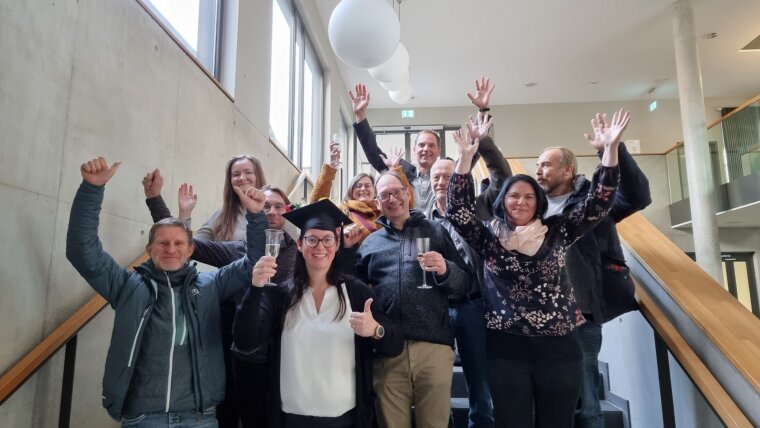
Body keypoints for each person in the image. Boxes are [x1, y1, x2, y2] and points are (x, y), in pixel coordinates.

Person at [446, 109, 627, 428]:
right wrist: (463, 160)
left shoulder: (558, 231)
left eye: (529, 196)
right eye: (514, 196)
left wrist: (609, 151)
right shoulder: (488, 237)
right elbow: (457, 211)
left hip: (559, 349)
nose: (521, 202)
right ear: (502, 201)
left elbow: (599, 202)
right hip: (505, 350)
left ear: (538, 203)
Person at [66, 156, 266, 426]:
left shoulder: (210, 286)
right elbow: (83, 252)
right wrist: (92, 189)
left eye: (178, 243)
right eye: (162, 243)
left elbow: (254, 263)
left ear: (191, 249)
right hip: (144, 418)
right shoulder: (128, 288)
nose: (171, 249)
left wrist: (256, 215)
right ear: (149, 250)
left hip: (200, 418)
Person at [232, 199, 403, 428]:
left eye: (327, 239)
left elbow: (395, 344)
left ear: (337, 243)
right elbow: (245, 340)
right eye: (312, 239)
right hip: (291, 419)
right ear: (300, 244)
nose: (320, 247)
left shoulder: (355, 292)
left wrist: (375, 330)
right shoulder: (282, 295)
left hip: (345, 419)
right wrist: (255, 289)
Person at [142, 170, 292, 428]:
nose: (272, 211)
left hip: (287, 350)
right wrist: (158, 201)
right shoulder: (238, 251)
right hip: (245, 353)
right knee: (235, 413)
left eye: (279, 206)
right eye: (266, 205)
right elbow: (187, 245)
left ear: (287, 210)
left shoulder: (302, 251)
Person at [534, 110, 650, 428]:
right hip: (538, 317)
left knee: (585, 403)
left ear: (568, 169)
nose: (538, 171)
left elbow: (638, 196)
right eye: (537, 166)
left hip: (580, 314)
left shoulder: (595, 198)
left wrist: (611, 150)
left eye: (545, 164)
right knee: (546, 404)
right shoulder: (534, 207)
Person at [343, 170, 472, 428]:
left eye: (396, 192)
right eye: (384, 195)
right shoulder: (371, 243)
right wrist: (346, 252)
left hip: (433, 347)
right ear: (378, 203)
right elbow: (351, 289)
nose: (392, 199)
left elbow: (465, 284)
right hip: (388, 349)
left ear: (407, 193)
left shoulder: (435, 231)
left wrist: (446, 269)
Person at [350, 84, 440, 213]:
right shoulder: (400, 168)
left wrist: (481, 111)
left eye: (431, 145)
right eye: (421, 145)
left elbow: (470, 154)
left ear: (439, 150)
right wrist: (361, 116)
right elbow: (374, 154)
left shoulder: (447, 174)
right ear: (414, 150)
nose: (426, 149)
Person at [309, 141, 414, 245]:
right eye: (358, 186)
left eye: (368, 185)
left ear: (375, 191)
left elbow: (407, 204)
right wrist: (331, 169)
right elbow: (316, 204)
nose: (363, 189)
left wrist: (395, 170)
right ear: (351, 191)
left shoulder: (384, 210)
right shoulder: (344, 212)